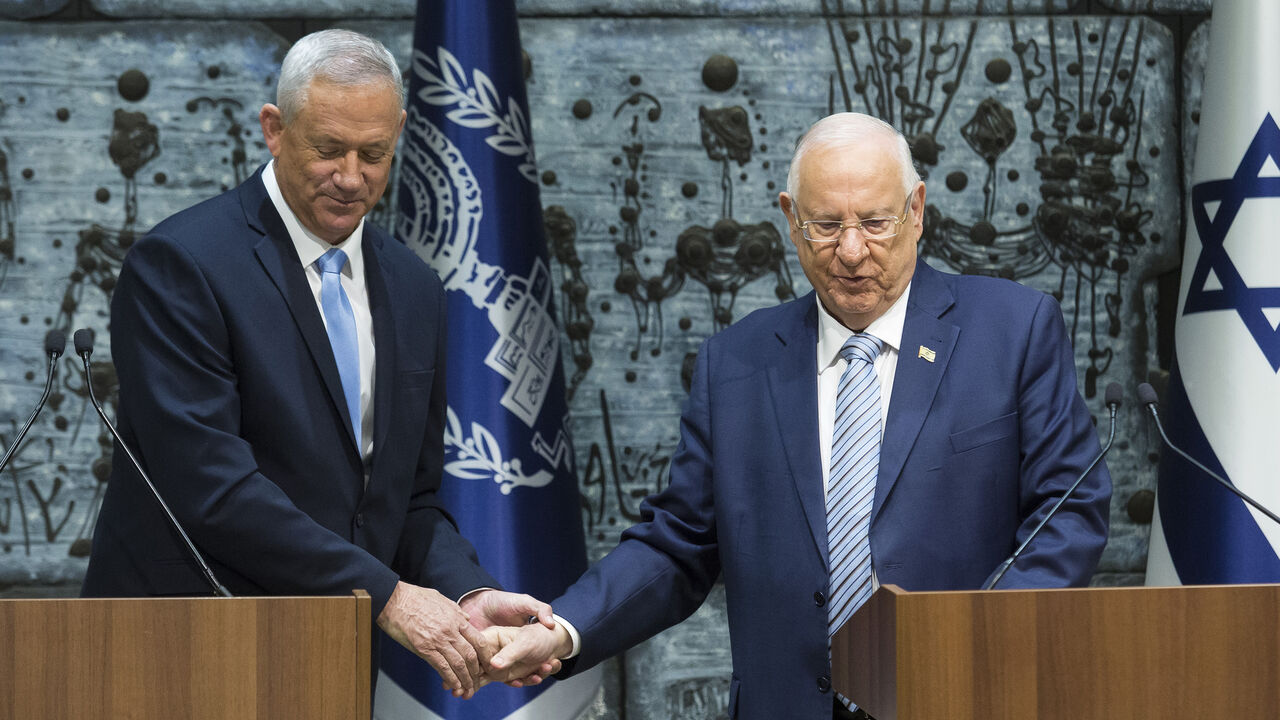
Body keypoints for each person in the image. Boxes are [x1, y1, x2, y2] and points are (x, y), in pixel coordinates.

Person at [484, 112, 1112, 718]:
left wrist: (966, 646)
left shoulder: (1013, 331)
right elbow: (677, 545)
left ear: (917, 211)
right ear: (789, 220)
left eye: (875, 221)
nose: (851, 250)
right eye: (825, 224)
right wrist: (564, 629)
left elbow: (1068, 514)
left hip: (964, 696)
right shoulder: (736, 363)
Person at [80, 29, 553, 699]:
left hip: (327, 660)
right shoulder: (181, 267)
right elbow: (212, 490)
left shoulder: (415, 287)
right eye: (328, 149)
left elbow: (407, 500)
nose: (352, 177)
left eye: (375, 153)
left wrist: (465, 592)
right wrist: (389, 596)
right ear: (275, 129)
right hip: (176, 654)